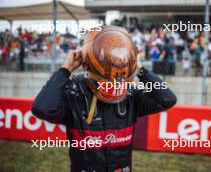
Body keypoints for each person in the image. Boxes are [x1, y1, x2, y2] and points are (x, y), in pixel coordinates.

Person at [31, 26, 176, 172]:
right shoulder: (75, 97)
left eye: (119, 73)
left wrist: (141, 70)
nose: (114, 80)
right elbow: (42, 108)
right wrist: (65, 69)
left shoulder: (132, 98)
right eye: (108, 71)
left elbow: (167, 99)